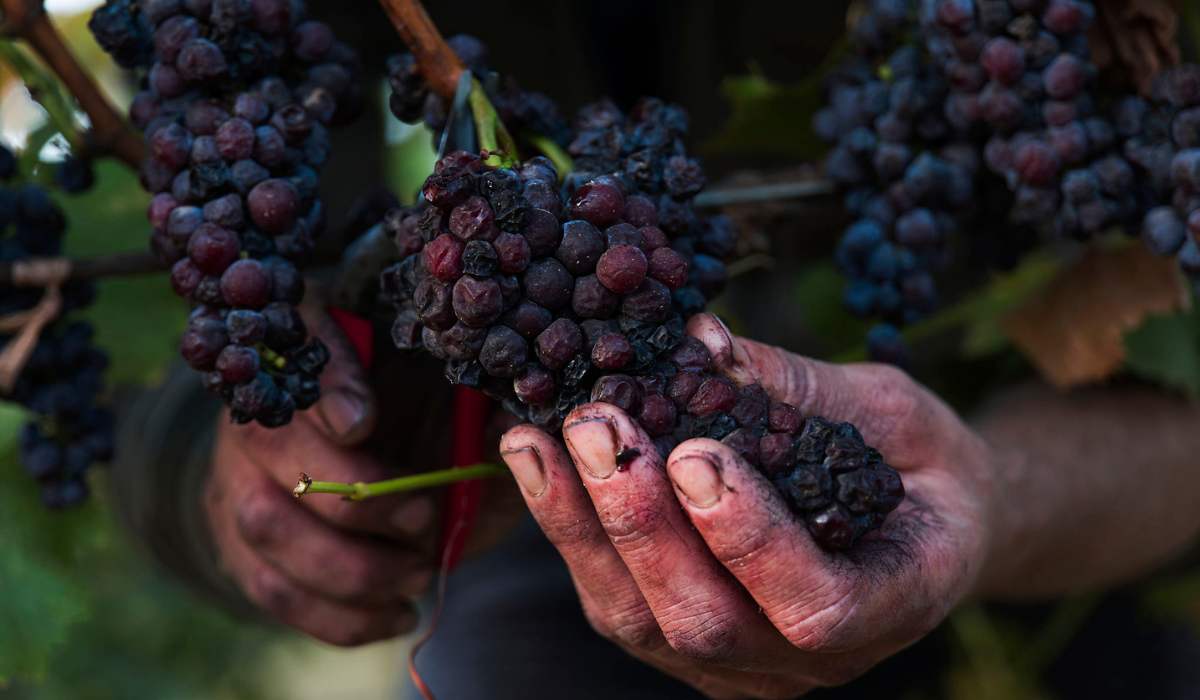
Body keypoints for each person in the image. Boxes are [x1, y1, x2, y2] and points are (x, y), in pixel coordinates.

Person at [109, 288, 1200, 698]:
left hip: (1096, 545)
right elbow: (240, 239)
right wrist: (220, 439)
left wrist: (1000, 497)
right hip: (558, 543)